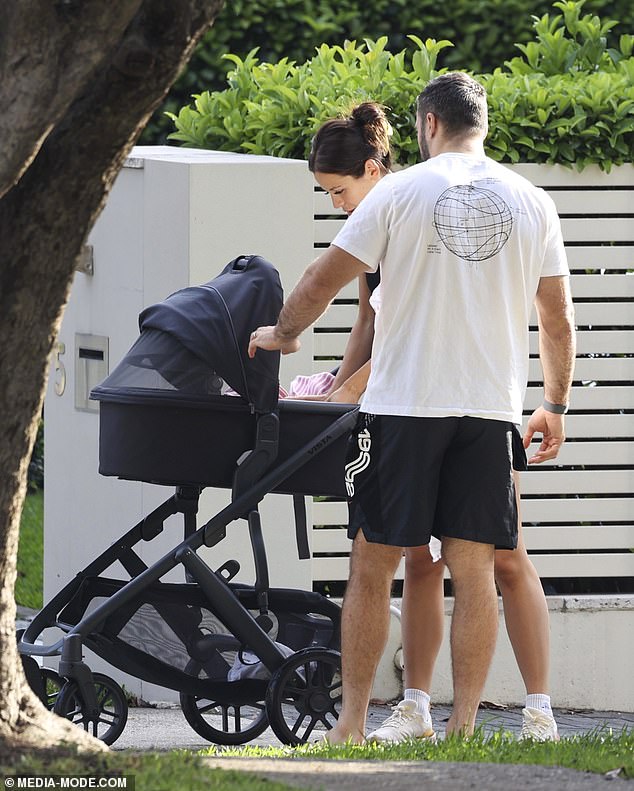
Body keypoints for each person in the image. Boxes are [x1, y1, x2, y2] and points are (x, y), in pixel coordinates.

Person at [249, 73, 576, 740]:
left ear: (428, 125)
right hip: (489, 410)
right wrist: (554, 403)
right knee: (475, 568)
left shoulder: (398, 192)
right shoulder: (533, 201)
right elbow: (558, 320)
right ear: (479, 123)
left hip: (404, 408)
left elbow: (323, 280)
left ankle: (349, 726)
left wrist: (280, 334)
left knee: (373, 565)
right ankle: (459, 728)